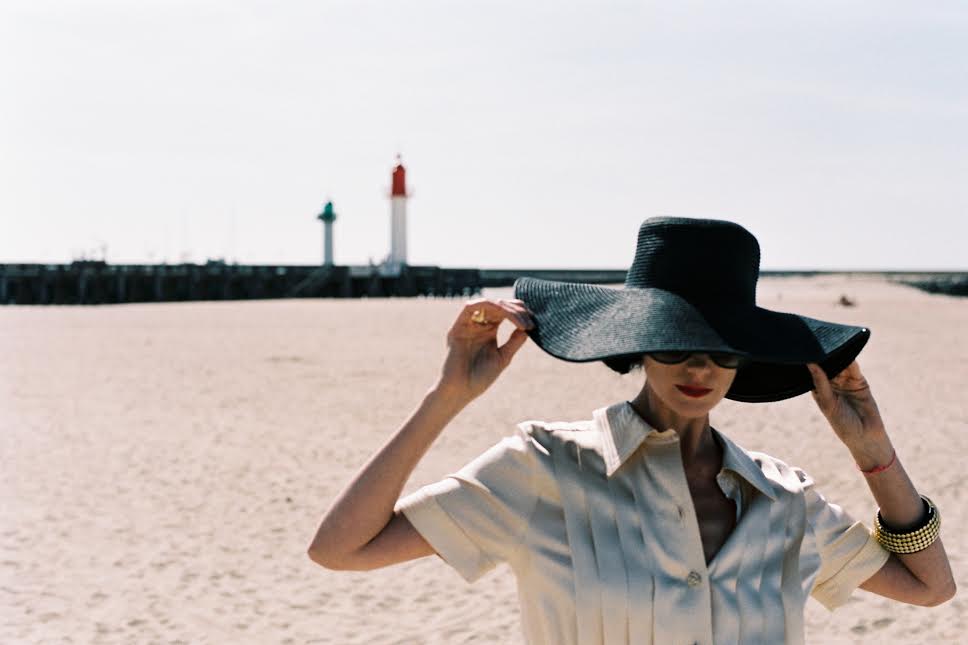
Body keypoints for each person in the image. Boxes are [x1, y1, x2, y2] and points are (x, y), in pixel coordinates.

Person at [308, 217, 955, 644]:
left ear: (746, 356)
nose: (699, 365)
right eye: (673, 342)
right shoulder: (544, 469)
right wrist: (449, 396)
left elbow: (931, 588)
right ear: (637, 344)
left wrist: (873, 450)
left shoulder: (785, 501)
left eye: (723, 347)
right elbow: (342, 547)